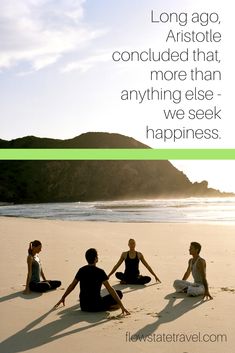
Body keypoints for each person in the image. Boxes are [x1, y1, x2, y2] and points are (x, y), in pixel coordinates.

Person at [55, 248, 130, 314]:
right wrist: (122, 306)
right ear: (95, 259)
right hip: (96, 305)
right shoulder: (100, 272)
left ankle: (109, 307)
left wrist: (63, 297)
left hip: (84, 306)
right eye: (97, 256)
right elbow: (110, 289)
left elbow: (72, 286)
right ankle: (109, 308)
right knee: (119, 293)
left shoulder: (81, 270)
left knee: (110, 297)